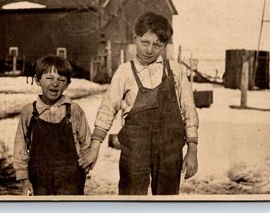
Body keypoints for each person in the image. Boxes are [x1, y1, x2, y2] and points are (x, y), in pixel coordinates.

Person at [79, 11, 199, 195]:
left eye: (157, 45)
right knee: (131, 200)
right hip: (134, 150)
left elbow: (189, 110)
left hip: (169, 151)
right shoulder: (124, 72)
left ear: (165, 46)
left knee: (167, 202)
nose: (149, 50)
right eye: (145, 42)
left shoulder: (176, 71)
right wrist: (94, 147)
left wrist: (192, 150)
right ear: (135, 37)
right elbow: (107, 109)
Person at [13, 55, 91, 195]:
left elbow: (86, 143)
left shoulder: (74, 111)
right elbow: (20, 148)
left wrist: (85, 166)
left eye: (61, 80)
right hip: (39, 180)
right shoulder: (29, 112)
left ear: (67, 84)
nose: (55, 83)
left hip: (71, 180)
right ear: (37, 80)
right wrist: (24, 178)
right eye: (49, 78)